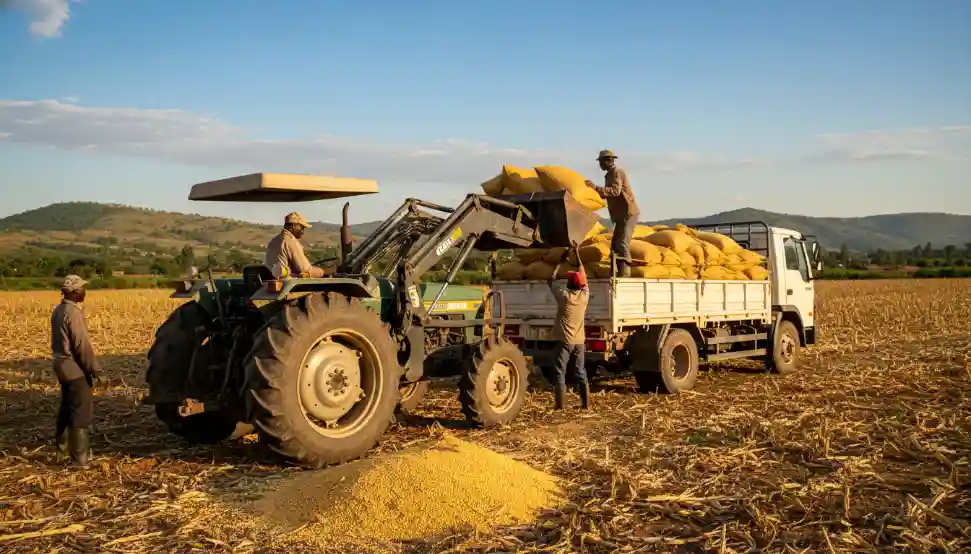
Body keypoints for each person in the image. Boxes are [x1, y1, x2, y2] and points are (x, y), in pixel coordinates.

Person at [50, 275, 101, 466]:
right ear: (73, 292)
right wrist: (96, 371)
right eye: (81, 288)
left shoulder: (58, 310)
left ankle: (61, 452)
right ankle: (80, 459)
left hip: (61, 365)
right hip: (74, 368)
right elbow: (81, 346)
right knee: (81, 411)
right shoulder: (73, 313)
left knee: (67, 407)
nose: (83, 291)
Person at [585, 149, 641, 278]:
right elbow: (611, 194)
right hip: (620, 215)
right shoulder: (610, 174)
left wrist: (596, 188)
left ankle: (625, 276)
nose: (600, 165)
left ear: (608, 161)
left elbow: (615, 191)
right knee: (615, 245)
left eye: (601, 162)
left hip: (627, 213)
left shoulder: (616, 172)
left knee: (622, 243)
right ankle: (618, 273)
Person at [547, 257, 591, 410]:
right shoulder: (584, 296)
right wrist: (578, 255)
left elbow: (550, 280)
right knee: (580, 371)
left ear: (569, 284)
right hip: (579, 341)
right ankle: (586, 404)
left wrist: (558, 262)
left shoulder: (564, 297)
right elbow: (584, 276)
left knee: (560, 371)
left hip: (565, 340)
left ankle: (561, 405)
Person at [265, 212, 327, 278]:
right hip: (287, 280)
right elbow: (305, 269)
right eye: (302, 228)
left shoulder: (274, 240)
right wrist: (324, 271)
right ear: (292, 226)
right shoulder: (290, 241)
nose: (302, 232)